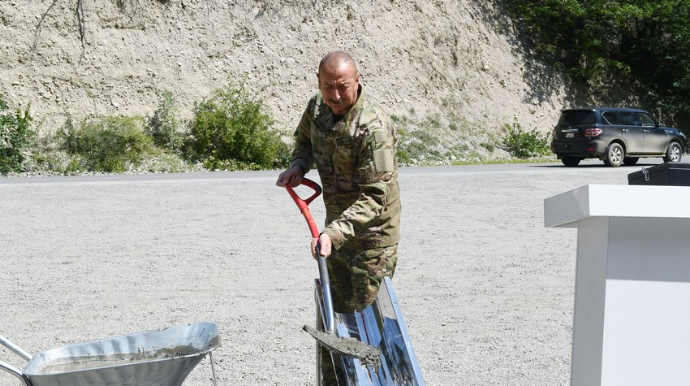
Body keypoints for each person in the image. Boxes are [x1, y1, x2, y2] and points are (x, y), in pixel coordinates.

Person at [276, 51, 401, 385]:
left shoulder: (372, 128)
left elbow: (376, 195)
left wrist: (334, 233)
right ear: (318, 82)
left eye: (342, 87)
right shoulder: (318, 107)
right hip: (335, 238)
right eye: (328, 87)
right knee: (333, 323)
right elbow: (304, 140)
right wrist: (298, 166)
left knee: (368, 332)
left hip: (371, 244)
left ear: (357, 80)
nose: (334, 95)